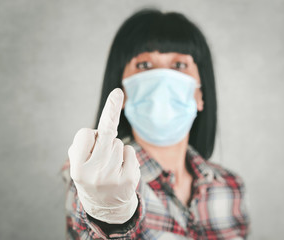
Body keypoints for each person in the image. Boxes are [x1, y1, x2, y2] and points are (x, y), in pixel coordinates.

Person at [63, 8, 250, 239]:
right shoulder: (98, 183)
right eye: (144, 66)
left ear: (200, 95)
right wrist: (110, 215)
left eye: (180, 65)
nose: (163, 78)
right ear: (123, 91)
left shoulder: (230, 186)